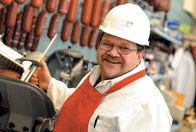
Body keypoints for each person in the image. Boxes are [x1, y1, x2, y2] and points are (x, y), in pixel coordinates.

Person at [30, 3, 172, 132]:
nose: (113, 53)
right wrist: (48, 84)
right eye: (107, 44)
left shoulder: (149, 107)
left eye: (124, 48)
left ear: (141, 54)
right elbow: (79, 107)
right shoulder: (97, 75)